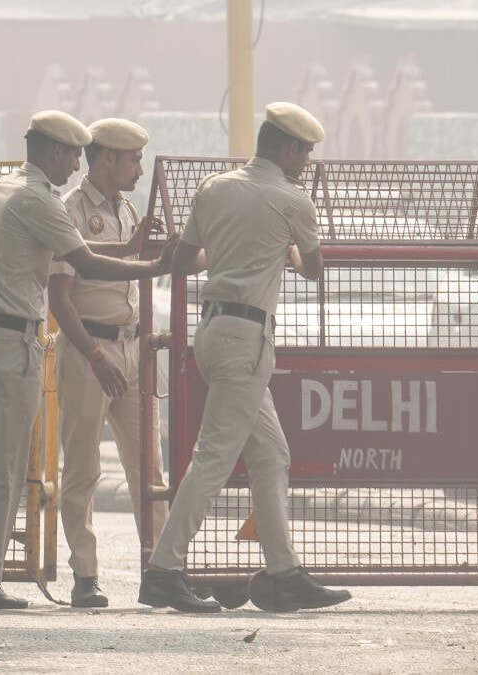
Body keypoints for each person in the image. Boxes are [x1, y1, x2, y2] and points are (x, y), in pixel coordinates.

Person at [0, 110, 176, 610]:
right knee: (8, 468)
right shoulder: (42, 200)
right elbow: (82, 262)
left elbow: (77, 247)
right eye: (71, 154)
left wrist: (128, 246)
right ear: (58, 152)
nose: (74, 165)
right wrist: (154, 263)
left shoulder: (4, 189)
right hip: (10, 342)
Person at [137, 102, 351, 613]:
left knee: (270, 454)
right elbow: (315, 269)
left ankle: (285, 573)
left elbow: (185, 260)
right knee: (213, 457)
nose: (306, 159)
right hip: (247, 338)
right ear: (284, 147)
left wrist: (235, 255)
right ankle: (164, 569)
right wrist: (288, 253)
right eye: (304, 150)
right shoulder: (293, 200)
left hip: (211, 329)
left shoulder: (215, 186)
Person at [48, 118, 170, 608]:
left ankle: (161, 567)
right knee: (82, 468)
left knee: (149, 467)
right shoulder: (68, 212)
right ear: (106, 160)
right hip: (88, 351)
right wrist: (95, 355)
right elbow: (60, 299)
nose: (140, 168)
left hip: (133, 348)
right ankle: (85, 574)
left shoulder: (129, 210)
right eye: (133, 159)